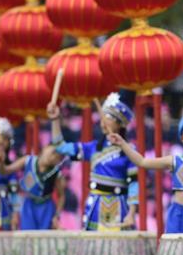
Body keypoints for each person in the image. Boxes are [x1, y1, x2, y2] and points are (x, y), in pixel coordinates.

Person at [55, 93, 138, 231]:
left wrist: (132, 213)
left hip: (119, 205)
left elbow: (134, 183)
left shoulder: (130, 150)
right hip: (95, 205)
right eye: (103, 116)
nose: (103, 121)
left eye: (109, 117)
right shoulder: (93, 148)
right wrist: (55, 119)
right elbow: (60, 147)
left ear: (120, 123)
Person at [0, 105, 69, 231]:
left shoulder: (55, 173)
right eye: (52, 152)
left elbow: (62, 196)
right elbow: (5, 171)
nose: (53, 157)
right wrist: (1, 162)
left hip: (46, 208)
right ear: (45, 148)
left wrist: (56, 216)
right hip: (28, 206)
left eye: (57, 157)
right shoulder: (27, 160)